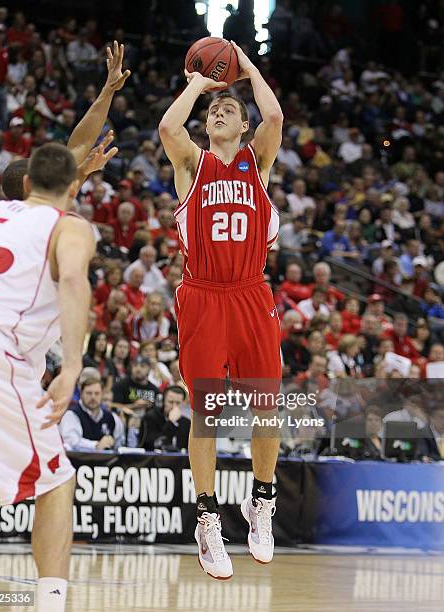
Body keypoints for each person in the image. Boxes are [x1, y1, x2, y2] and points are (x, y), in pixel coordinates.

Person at [159, 40, 283, 578]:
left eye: (229, 107)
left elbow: (274, 113)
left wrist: (245, 67)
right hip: (204, 294)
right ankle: (208, 518)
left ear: (243, 124)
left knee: (267, 408)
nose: (220, 109)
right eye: (214, 110)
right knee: (205, 412)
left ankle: (262, 501)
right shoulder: (193, 163)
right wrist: (198, 84)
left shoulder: (259, 161)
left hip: (251, 293)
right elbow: (168, 129)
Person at [0, 143, 95, 611]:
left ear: (25, 184)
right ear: (72, 188)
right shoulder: (70, 226)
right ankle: (52, 604)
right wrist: (75, 364)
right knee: (56, 482)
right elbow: (74, 282)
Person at [59, 377, 125, 451]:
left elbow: (120, 445)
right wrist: (96, 445)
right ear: (81, 394)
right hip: (78, 461)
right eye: (89, 393)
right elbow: (71, 441)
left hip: (106, 461)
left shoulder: (112, 417)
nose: (93, 397)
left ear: (102, 395)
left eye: (97, 393)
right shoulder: (71, 415)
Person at [138, 385, 190, 451]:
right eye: (171, 402)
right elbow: (156, 443)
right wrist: (171, 423)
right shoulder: (150, 418)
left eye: (178, 403)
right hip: (155, 459)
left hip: (180, 460)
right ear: (163, 402)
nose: (174, 406)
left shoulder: (187, 423)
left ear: (183, 404)